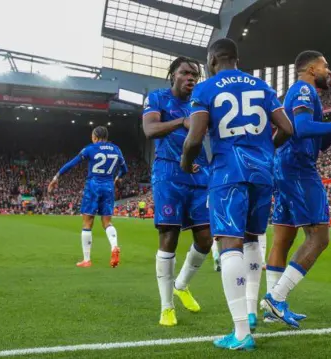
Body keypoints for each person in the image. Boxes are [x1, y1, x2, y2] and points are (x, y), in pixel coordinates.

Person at [181, 38, 294, 351]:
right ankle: (250, 309)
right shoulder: (261, 86)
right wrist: (265, 149)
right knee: (252, 238)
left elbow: (194, 138)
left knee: (229, 244)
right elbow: (287, 127)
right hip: (262, 171)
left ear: (213, 59)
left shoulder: (206, 88)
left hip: (228, 171)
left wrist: (186, 162)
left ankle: (242, 332)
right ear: (236, 57)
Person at [263, 50, 331, 328]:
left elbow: (319, 143)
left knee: (283, 239)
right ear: (311, 69)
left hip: (287, 166)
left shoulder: (307, 95)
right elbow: (301, 128)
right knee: (319, 238)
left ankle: (269, 308)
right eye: (325, 66)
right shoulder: (302, 90)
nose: (329, 70)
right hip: (297, 167)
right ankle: (276, 297)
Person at [142, 56, 214, 327]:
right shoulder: (158, 98)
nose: (191, 78)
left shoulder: (202, 102)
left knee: (206, 239)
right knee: (169, 236)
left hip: (200, 175)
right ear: (172, 74)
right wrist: (181, 122)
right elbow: (149, 129)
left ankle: (181, 285)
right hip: (169, 174)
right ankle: (166, 306)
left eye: (195, 74)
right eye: (185, 73)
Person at [48, 126, 127, 268]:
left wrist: (56, 176)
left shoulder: (90, 149)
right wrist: (117, 179)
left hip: (93, 186)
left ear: (95, 137)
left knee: (87, 223)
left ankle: (87, 260)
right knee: (107, 222)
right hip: (108, 186)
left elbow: (72, 163)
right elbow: (124, 170)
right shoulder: (117, 149)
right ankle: (114, 247)